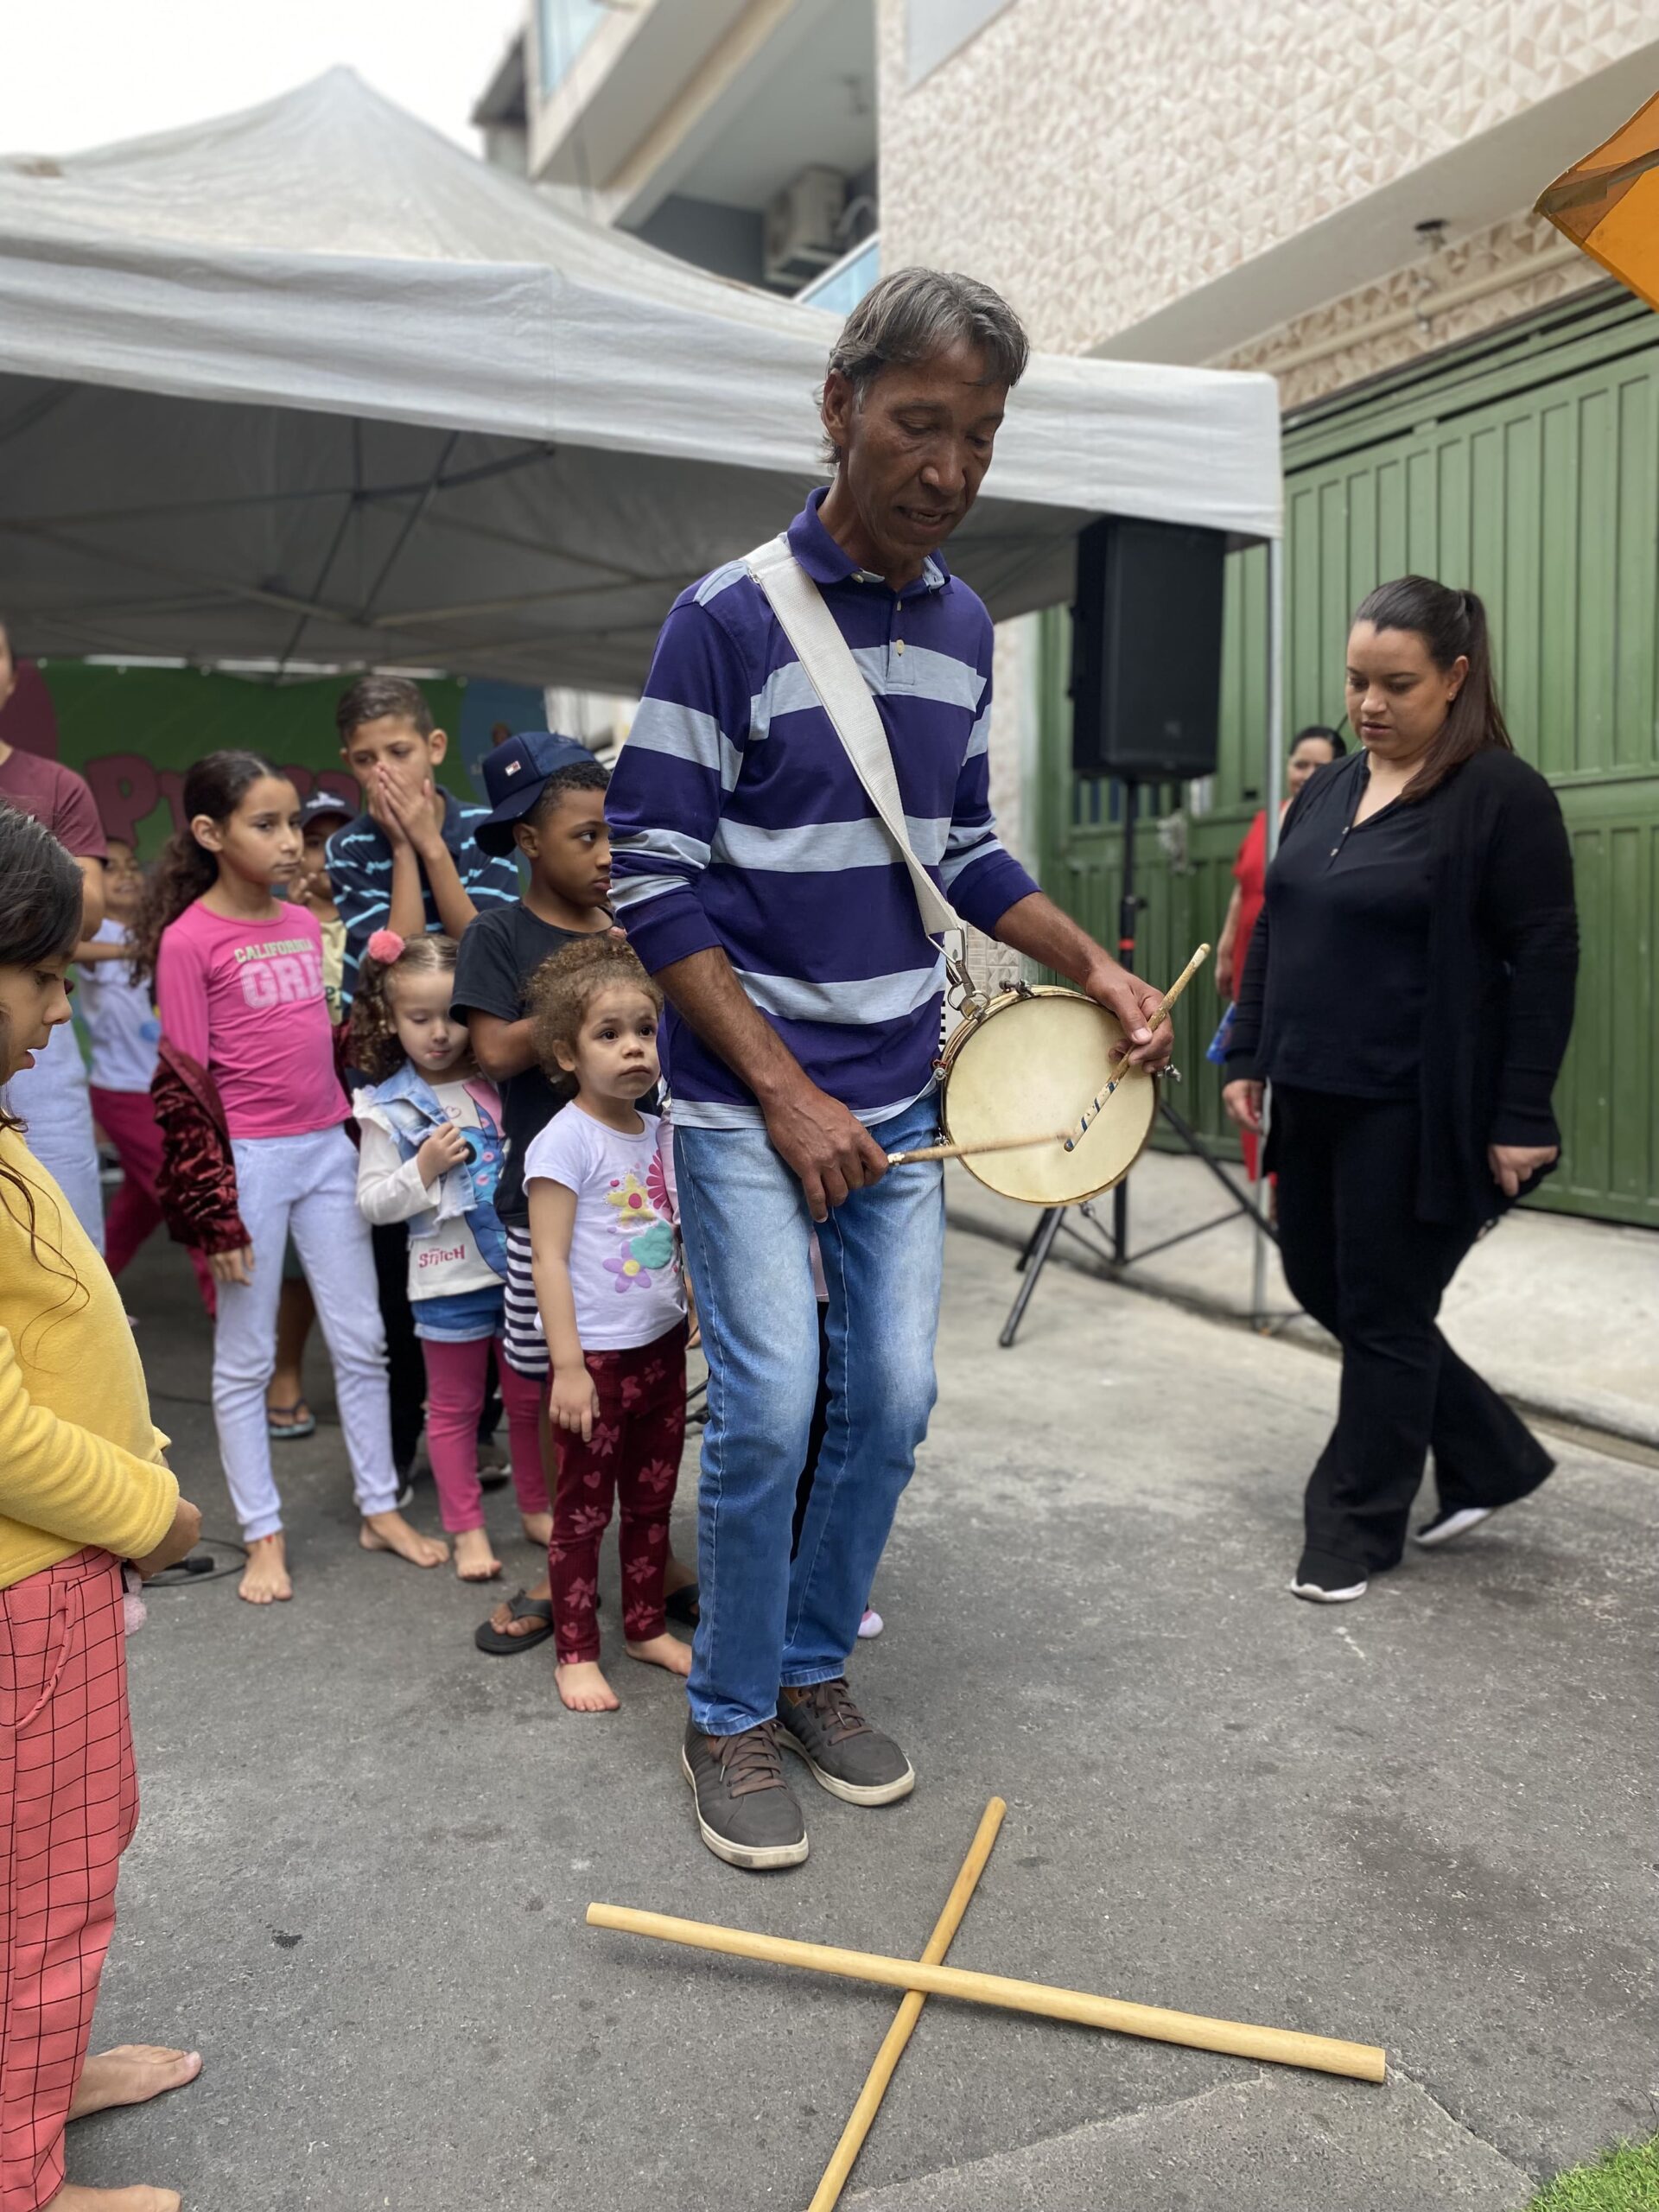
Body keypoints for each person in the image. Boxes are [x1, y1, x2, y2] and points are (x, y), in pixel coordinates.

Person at [606, 267, 1173, 1871]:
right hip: (746, 1099)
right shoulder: (725, 620)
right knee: (773, 1407)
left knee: (898, 1399)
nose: (950, 468)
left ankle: (809, 1670)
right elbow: (650, 874)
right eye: (921, 425)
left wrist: (1092, 964)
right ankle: (727, 1710)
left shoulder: (968, 626)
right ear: (839, 406)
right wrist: (783, 1091)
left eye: (980, 437)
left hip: (902, 1083)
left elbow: (964, 849)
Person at [1224, 576, 1577, 1605]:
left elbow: (1546, 958)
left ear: (1455, 677)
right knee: (1319, 1281)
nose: (1369, 704)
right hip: (1312, 1088)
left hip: (1418, 1103)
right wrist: (1247, 1051)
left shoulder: (1500, 794)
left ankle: (1355, 1527)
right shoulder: (1329, 787)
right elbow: (1279, 922)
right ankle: (1490, 1453)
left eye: (1397, 684)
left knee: (1383, 1308)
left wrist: (1524, 1113)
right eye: (1356, 681)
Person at [0, 804, 205, 2212]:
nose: (64, 1010)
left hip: (57, 1581)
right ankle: (24, 2178)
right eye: (42, 977)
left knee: (65, 1850)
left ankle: (39, 2078)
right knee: (43, 1890)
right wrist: (155, 1515)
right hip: (33, 1587)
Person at [134, 750, 448, 1605]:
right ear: (210, 833)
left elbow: (325, 1041)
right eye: (264, 825)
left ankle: (380, 1506)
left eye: (292, 826)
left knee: (363, 1340)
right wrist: (215, 1209)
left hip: (326, 1150)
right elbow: (183, 1085)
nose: (288, 843)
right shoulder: (189, 941)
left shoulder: (304, 925)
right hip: (250, 1163)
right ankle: (262, 1532)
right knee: (246, 1359)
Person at [456, 734, 697, 1655]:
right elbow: (491, 1050)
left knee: (644, 1396)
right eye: (585, 837)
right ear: (528, 841)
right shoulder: (498, 934)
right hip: (546, 1206)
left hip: (639, 1196)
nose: (606, 857)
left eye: (614, 838)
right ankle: (566, 1565)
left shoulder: (635, 922)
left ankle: (648, 1565)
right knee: (565, 1392)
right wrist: (588, 991)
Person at [327, 677, 520, 1489]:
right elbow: (392, 964)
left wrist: (434, 847)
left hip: (482, 1072)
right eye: (365, 759)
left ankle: (484, 1427)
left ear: (435, 749)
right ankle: (410, 1437)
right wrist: (404, 850)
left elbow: (489, 950)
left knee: (496, 1244)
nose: (385, 773)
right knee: (406, 1264)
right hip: (392, 1079)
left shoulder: (487, 831)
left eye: (400, 752)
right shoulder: (349, 849)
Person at [523, 936, 689, 1713]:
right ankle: (577, 1651)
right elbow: (548, 1259)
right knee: (583, 1514)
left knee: (653, 1501)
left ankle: (645, 1627)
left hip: (660, 1348)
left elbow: (672, 1226)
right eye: (609, 1034)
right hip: (595, 1362)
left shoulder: (660, 1130)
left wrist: (689, 1294)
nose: (633, 1048)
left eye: (645, 1031)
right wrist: (567, 1367)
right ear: (567, 1052)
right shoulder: (564, 1140)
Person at [351, 930, 548, 1581]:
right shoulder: (385, 1107)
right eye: (419, 1018)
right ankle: (467, 1529)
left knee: (527, 1400)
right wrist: (423, 1168)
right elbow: (372, 1203)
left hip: (521, 1270)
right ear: (390, 1018)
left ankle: (536, 1507)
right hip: (445, 1281)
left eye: (452, 1016)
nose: (439, 1034)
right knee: (456, 1409)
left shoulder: (501, 1082)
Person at [0, 616, 109, 1251]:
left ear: (13, 677)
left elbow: (87, 909)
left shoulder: (56, 785)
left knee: (65, 1225)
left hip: (38, 1028)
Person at [73, 835, 216, 1313]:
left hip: (166, 1088)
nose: (127, 875)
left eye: (132, 865)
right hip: (124, 1093)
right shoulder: (95, 934)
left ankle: (81, 1299)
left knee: (139, 1205)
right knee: (187, 1195)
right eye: (110, 868)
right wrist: (135, 952)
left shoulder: (163, 930)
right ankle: (226, 1309)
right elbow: (70, 948)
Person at [261, 789, 356, 1445]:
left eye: (336, 841)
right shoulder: (278, 924)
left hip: (367, 1103)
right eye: (313, 839)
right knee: (296, 1265)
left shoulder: (371, 914)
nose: (321, 854)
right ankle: (285, 1371)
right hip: (301, 1111)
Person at [1214, 727, 1344, 1179]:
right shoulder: (1266, 819)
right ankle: (1263, 1180)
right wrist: (1226, 949)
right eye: (1299, 764)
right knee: (1248, 1063)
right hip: (1250, 960)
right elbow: (1243, 887)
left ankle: (1287, 1186)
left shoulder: (1340, 822)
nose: (1306, 774)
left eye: (1319, 766)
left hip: (1296, 962)